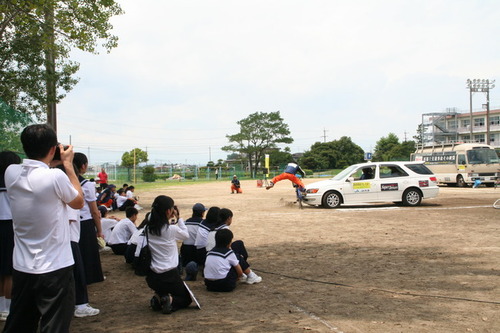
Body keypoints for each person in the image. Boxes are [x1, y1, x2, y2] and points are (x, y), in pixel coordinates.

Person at [3, 124, 84, 332]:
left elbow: (35, 172)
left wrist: (51, 159)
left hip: (22, 266)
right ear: (51, 149)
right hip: (55, 267)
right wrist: (67, 165)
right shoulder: (55, 176)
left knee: (20, 324)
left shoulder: (11, 173)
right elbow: (78, 201)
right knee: (54, 325)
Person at [143, 195, 192, 314]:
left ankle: (159, 298)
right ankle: (168, 300)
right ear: (169, 211)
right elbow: (186, 235)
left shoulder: (147, 229)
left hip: (152, 276)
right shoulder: (171, 230)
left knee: (165, 289)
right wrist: (179, 218)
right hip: (169, 275)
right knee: (186, 299)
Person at [74, 153, 105, 285]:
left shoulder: (64, 181)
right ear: (83, 166)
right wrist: (99, 230)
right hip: (85, 222)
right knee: (88, 251)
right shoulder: (87, 184)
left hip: (70, 222)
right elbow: (94, 210)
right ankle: (89, 277)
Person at [0, 151, 21, 321]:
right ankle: (7, 308)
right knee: (9, 270)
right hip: (9, 226)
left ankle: (1, 306)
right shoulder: (13, 182)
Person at [180, 203, 207, 281]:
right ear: (202, 213)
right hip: (198, 251)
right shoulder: (204, 224)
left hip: (186, 251)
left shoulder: (185, 222)